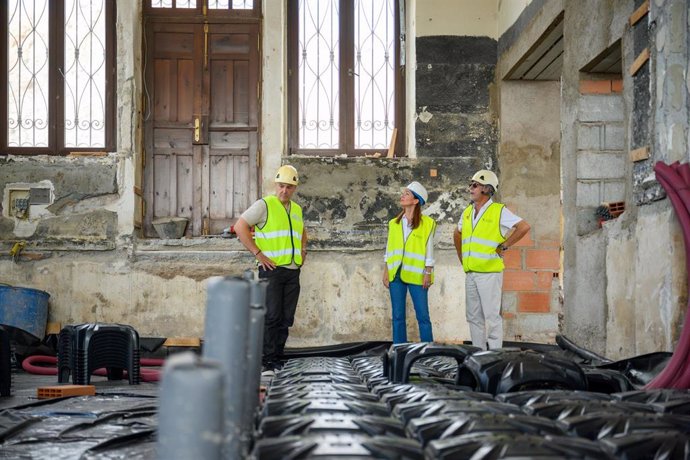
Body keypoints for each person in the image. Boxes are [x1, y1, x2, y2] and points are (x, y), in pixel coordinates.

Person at [234, 165, 307, 372]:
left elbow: (302, 232)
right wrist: (258, 254)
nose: (284, 190)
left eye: (289, 187)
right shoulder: (264, 205)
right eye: (281, 186)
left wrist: (303, 251)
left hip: (293, 270)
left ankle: (277, 357)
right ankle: (267, 360)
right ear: (276, 185)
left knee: (286, 317)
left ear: (294, 188)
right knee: (272, 316)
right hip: (272, 270)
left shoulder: (297, 209)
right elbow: (240, 227)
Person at [453, 169, 530, 350]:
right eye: (470, 184)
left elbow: (523, 227)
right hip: (471, 272)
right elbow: (457, 233)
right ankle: (478, 354)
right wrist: (462, 258)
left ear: (487, 189)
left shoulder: (498, 211)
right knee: (473, 317)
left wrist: (504, 245)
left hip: (489, 273)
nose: (470, 188)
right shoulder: (467, 212)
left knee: (491, 316)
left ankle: (494, 354)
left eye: (475, 185)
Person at [382, 181, 437, 344]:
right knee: (398, 316)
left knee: (423, 316)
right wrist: (386, 271)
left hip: (418, 275)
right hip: (395, 274)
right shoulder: (394, 223)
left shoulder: (428, 224)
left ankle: (428, 352)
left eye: (407, 193)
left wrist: (428, 272)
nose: (402, 195)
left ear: (415, 200)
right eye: (403, 193)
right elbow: (388, 249)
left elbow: (429, 249)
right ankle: (399, 350)